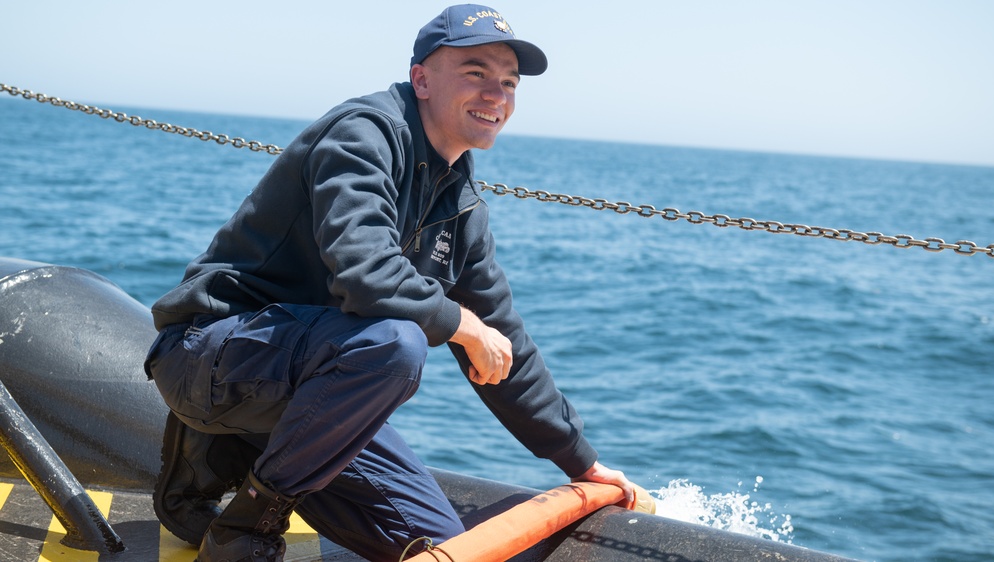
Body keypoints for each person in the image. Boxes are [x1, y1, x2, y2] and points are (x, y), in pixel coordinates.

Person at [144, 4, 635, 561]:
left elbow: (504, 345)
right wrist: (459, 323)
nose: (495, 94)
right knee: (396, 345)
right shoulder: (364, 133)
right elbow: (364, 272)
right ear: (421, 78)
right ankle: (247, 525)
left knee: (436, 544)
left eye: (509, 83)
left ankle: (223, 456)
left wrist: (581, 460)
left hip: (310, 380)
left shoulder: (460, 203)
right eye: (475, 73)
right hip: (206, 354)